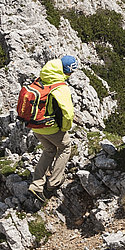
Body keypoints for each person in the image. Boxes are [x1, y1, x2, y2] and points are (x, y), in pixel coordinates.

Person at [29, 54, 77, 202]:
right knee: (65, 147)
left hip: (35, 125)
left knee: (49, 150)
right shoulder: (60, 87)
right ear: (68, 71)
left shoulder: (42, 77)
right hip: (50, 127)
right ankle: (54, 182)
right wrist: (65, 128)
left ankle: (36, 184)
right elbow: (68, 114)